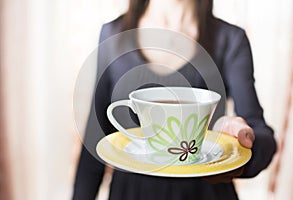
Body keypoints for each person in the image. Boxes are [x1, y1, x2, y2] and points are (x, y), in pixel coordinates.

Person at [72, 0, 277, 199]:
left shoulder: (230, 39)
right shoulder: (113, 36)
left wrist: (244, 145)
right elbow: (94, 140)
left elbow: (261, 132)